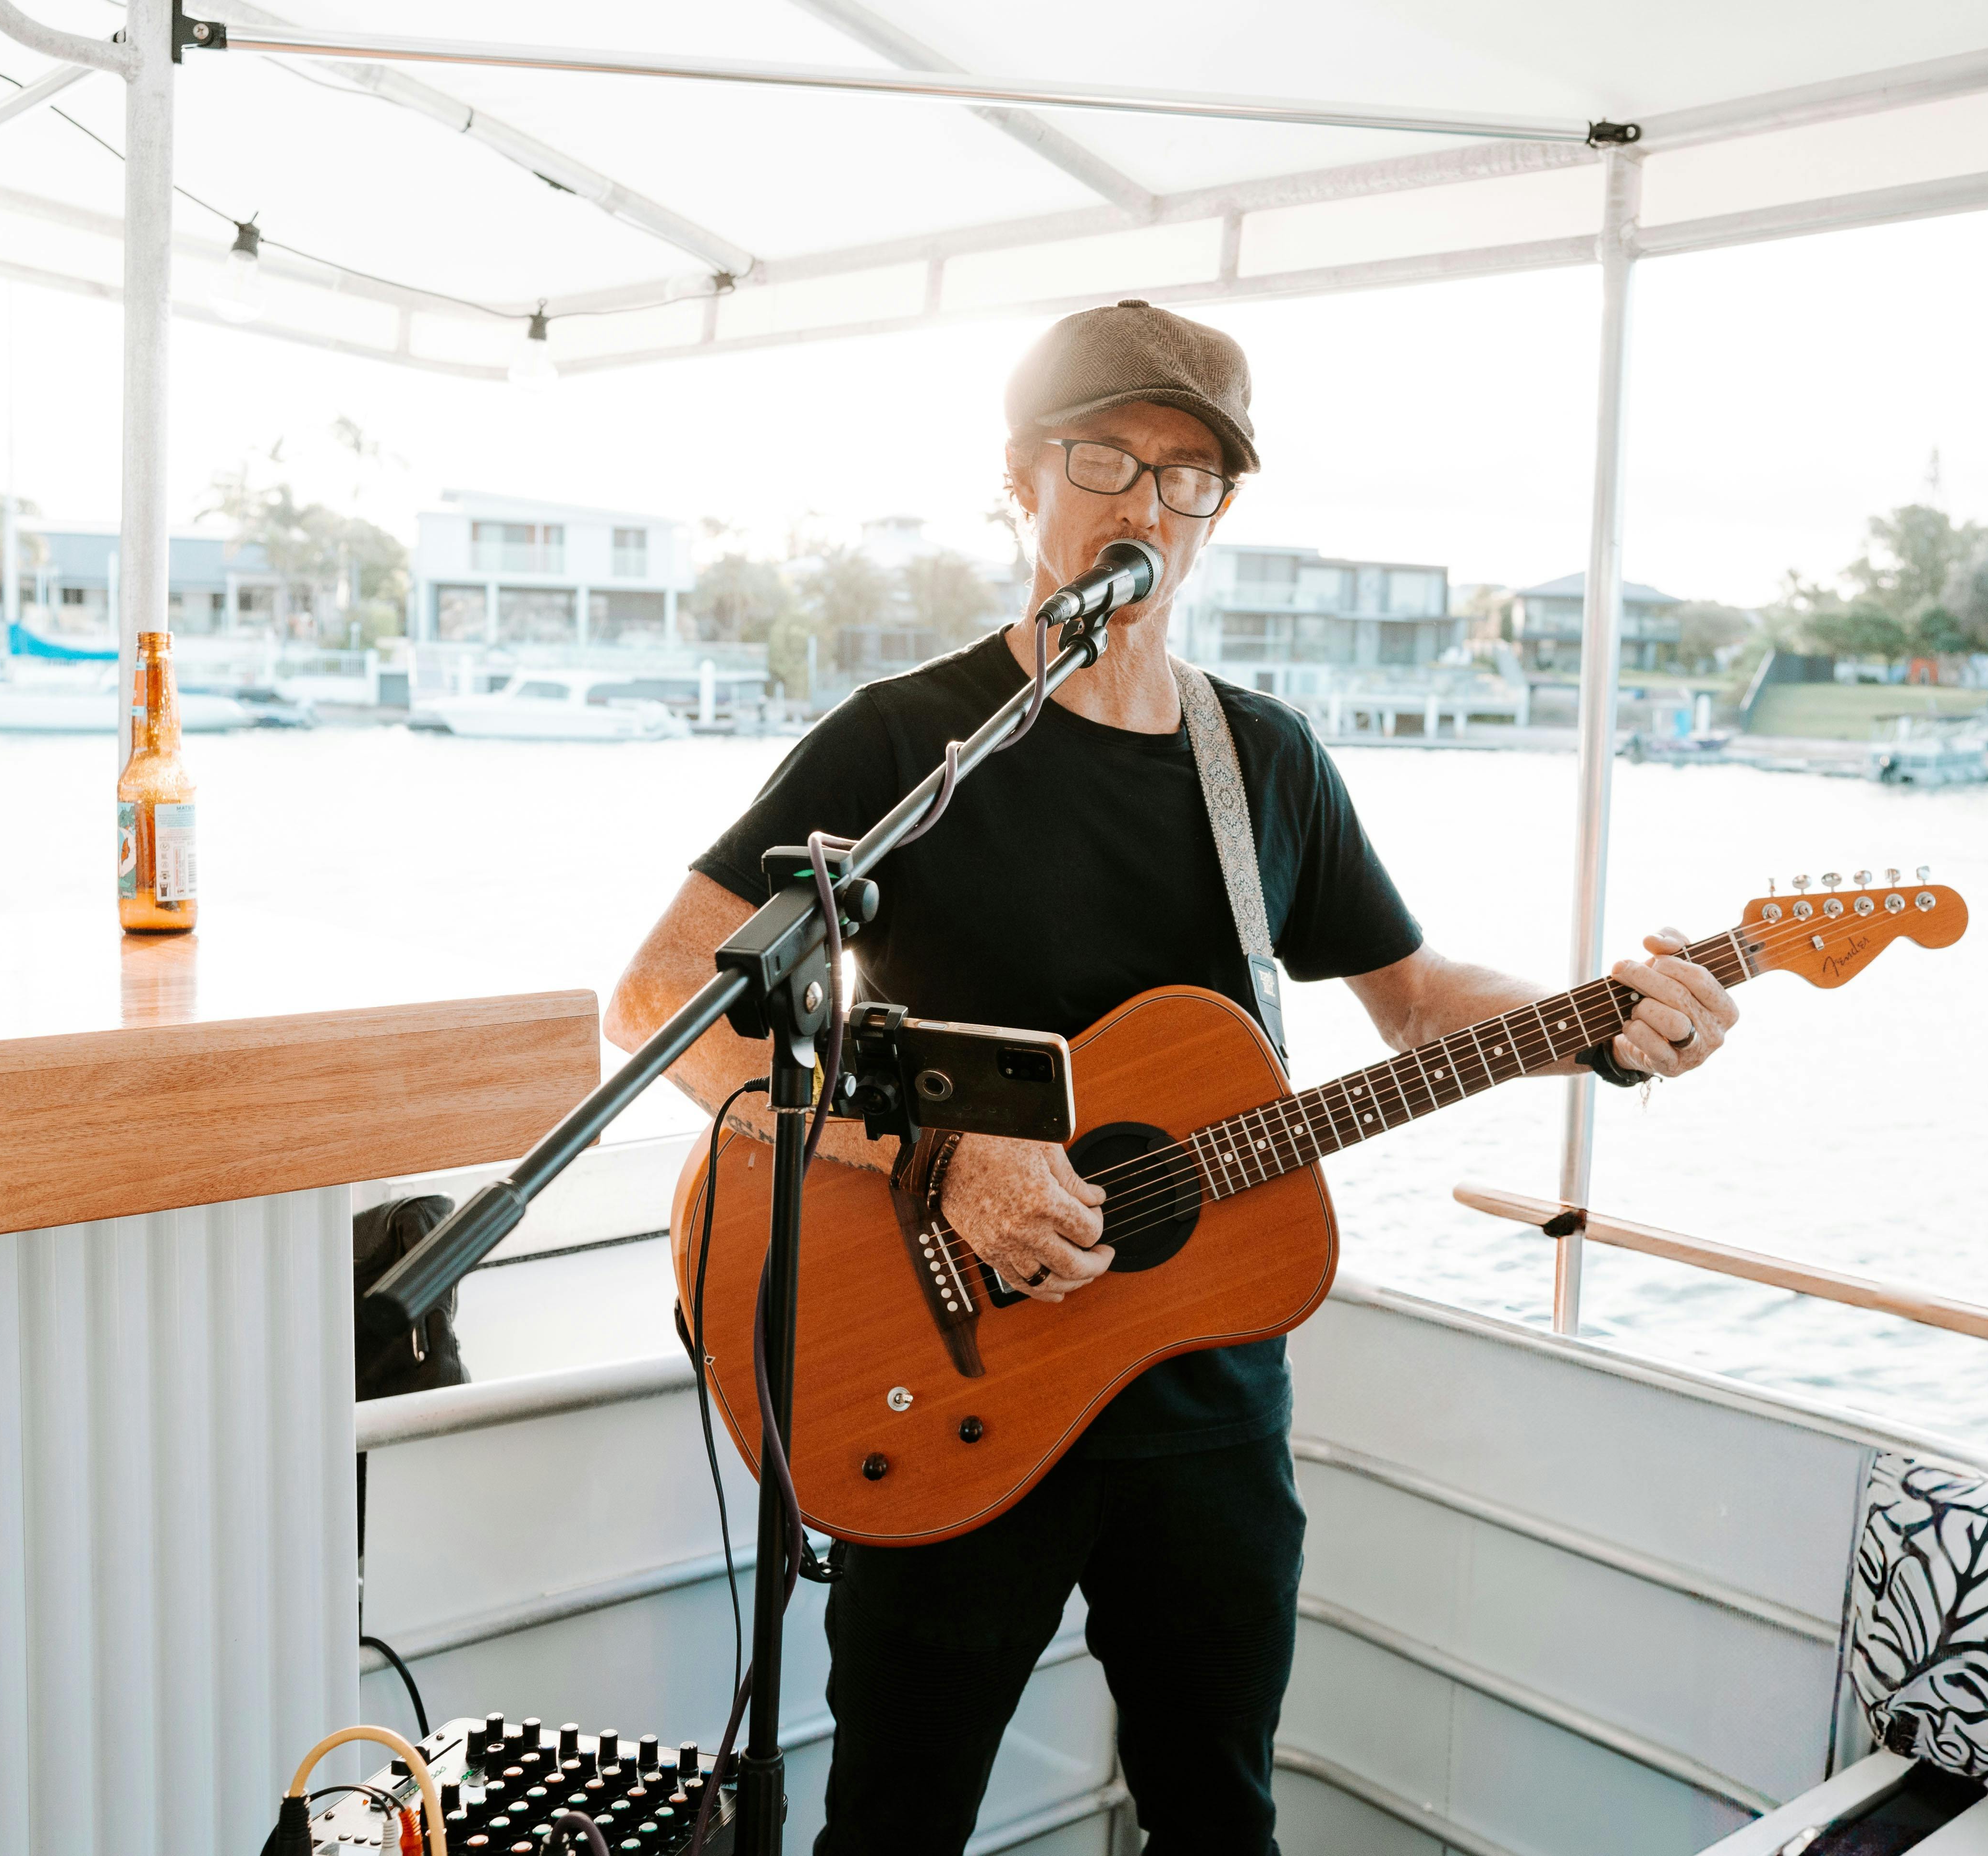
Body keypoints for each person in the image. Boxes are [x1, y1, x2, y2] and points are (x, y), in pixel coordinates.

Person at [603, 300, 1741, 1854]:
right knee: (892, 1822)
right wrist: (942, 1162)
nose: (1142, 502)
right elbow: (666, 997)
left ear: (1218, 513)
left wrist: (1593, 1011)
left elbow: (1413, 1002)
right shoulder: (902, 742)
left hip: (1205, 1402)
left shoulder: (1260, 761)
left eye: (1187, 474)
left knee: (1219, 1816)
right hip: (947, 1374)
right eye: (1104, 458)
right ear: (1020, 478)